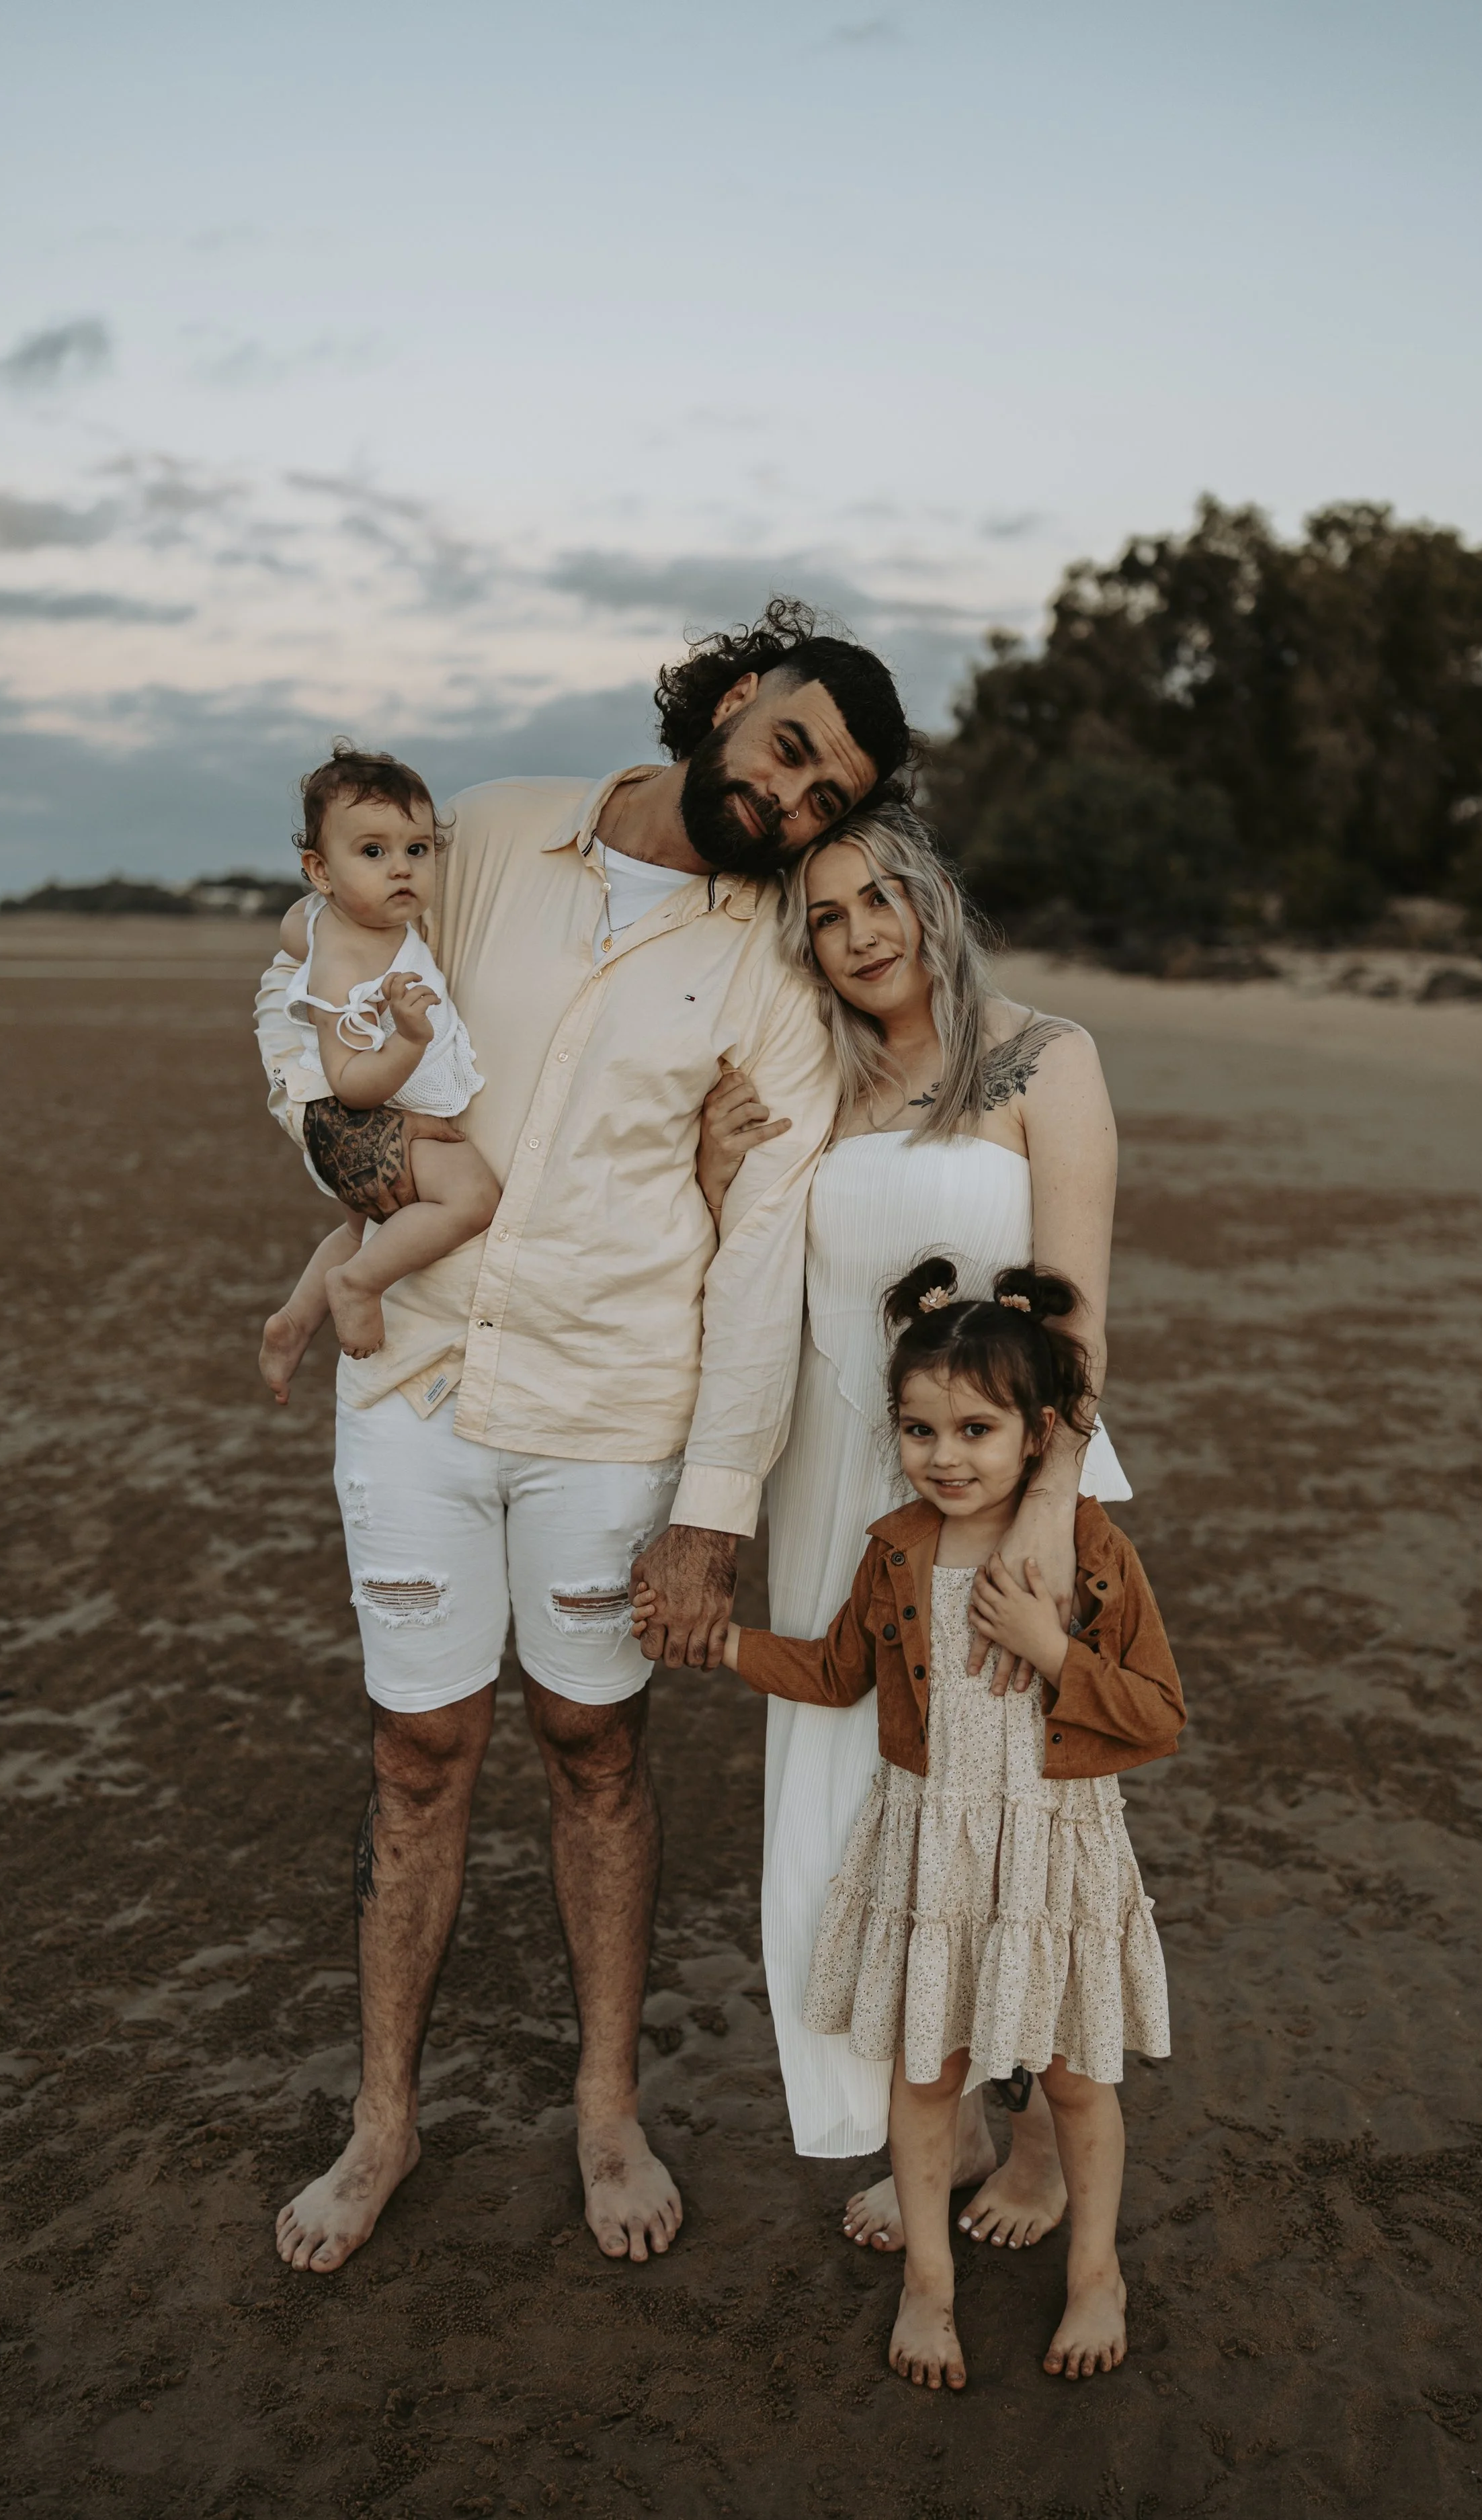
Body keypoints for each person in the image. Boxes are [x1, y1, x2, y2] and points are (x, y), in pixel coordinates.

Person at [251, 601, 912, 2273]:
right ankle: (382, 2120)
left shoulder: (779, 969)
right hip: (408, 1376)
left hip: (615, 1411)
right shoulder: (481, 828)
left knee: (592, 1746)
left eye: (828, 793)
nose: (790, 797)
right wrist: (347, 1150)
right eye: (789, 747)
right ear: (741, 696)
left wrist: (709, 1513)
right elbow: (313, 983)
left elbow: (763, 1257)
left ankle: (606, 2107)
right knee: (417, 1752)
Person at [694, 802, 1129, 2251]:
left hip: (999, 1486)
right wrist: (715, 1170)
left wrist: (1050, 1510)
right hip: (836, 1478)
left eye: (878, 896)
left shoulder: (1042, 1059)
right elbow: (755, 1265)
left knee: (1011, 1813)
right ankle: (948, 2126)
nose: (860, 931)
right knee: (851, 1816)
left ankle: (1044, 2154)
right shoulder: (812, 1076)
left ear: (931, 896)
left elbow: (1071, 1313)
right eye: (825, 915)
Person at [635, 1256, 1182, 2389]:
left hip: (1051, 1849)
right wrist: (719, 1642)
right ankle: (929, 2285)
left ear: (1037, 1434)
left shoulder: (1087, 1554)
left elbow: (1158, 1717)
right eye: (921, 1430)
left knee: (1080, 2076)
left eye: (976, 1430)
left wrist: (1052, 1654)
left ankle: (1096, 2272)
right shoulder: (894, 1549)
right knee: (926, 2075)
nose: (946, 1457)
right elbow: (838, 1671)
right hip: (930, 1850)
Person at [259, 747, 501, 1401]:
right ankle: (358, 1284)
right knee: (473, 1197)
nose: (400, 867)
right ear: (320, 870)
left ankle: (292, 1323)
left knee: (363, 1228)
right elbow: (351, 1084)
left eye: (417, 850)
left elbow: (294, 928)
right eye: (372, 852)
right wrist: (410, 1038)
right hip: (362, 1104)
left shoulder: (353, 919)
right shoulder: (341, 965)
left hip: (380, 1092)